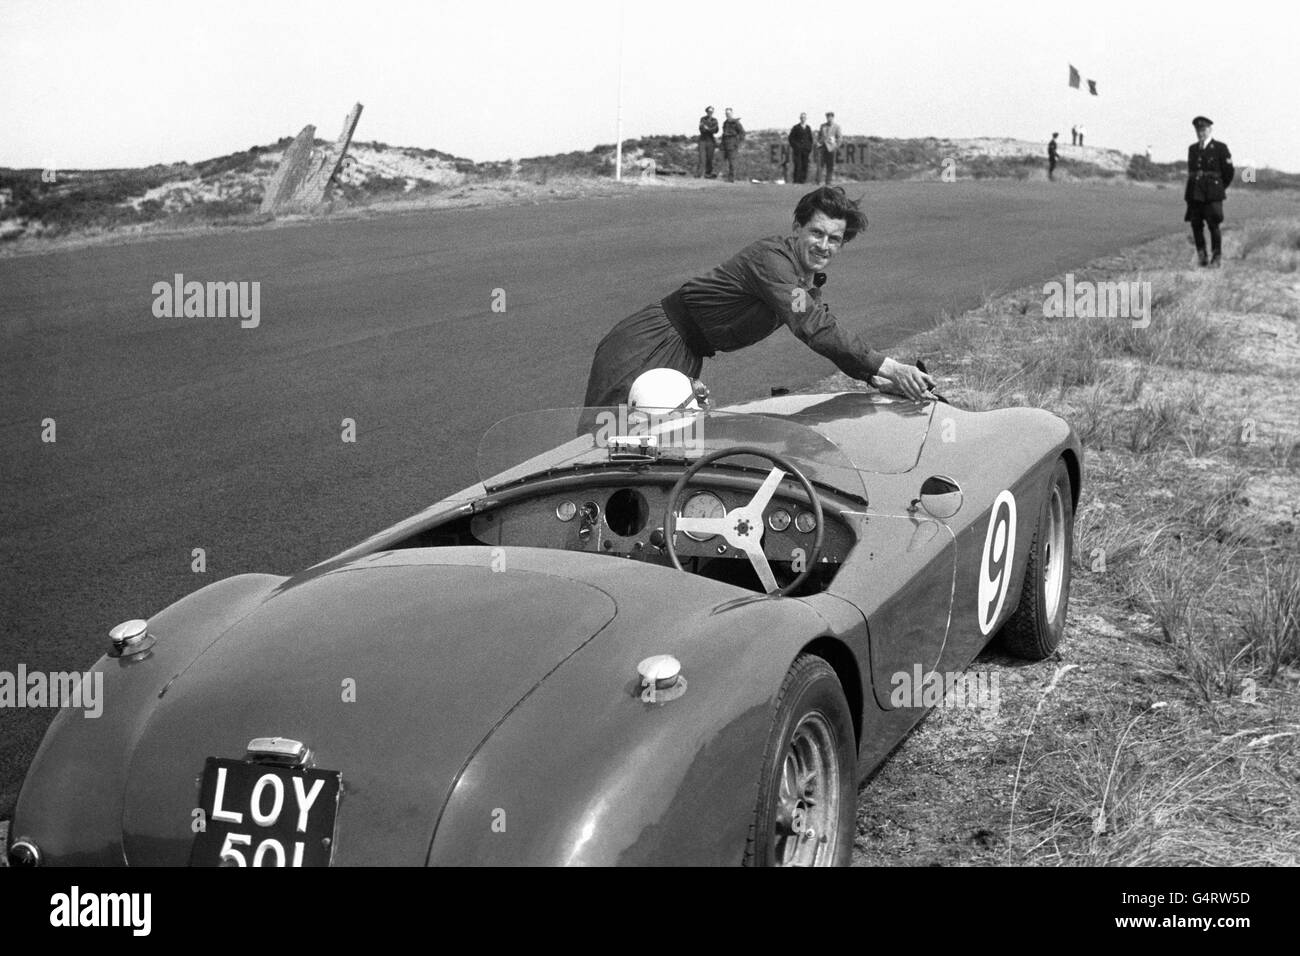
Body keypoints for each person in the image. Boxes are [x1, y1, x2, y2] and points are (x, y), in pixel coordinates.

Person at [581, 186, 935, 412]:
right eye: (816, 232)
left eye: (834, 239)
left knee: (662, 446)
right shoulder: (772, 262)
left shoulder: (804, 284)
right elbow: (813, 325)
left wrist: (877, 380)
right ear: (797, 229)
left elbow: (822, 326)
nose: (823, 246)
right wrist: (892, 367)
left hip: (686, 354)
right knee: (603, 441)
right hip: (649, 341)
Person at [1184, 115, 1234, 267]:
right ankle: (1202, 257)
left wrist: (1218, 188)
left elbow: (1228, 172)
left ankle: (1216, 257)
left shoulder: (1220, 148)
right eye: (1198, 130)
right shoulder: (1192, 149)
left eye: (1203, 129)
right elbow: (1192, 171)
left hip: (1212, 194)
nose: (1201, 133)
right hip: (1195, 194)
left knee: (1214, 225)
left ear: (1210, 129)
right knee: (1196, 225)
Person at [720, 108, 745, 182]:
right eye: (726, 114)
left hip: (732, 144)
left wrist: (738, 143)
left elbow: (742, 133)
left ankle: (731, 178)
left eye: (729, 113)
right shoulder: (725, 123)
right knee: (723, 161)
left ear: (732, 113)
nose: (728, 115)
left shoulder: (736, 123)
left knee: (732, 162)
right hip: (725, 144)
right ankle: (725, 176)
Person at [788, 112, 814, 184]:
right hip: (797, 150)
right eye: (802, 117)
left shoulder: (808, 128)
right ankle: (796, 180)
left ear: (806, 119)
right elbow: (791, 138)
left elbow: (810, 139)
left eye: (804, 117)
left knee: (805, 165)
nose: (803, 119)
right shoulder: (796, 127)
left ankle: (803, 180)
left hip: (805, 150)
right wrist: (796, 146)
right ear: (800, 118)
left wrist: (809, 147)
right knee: (797, 165)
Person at [817, 112, 842, 185]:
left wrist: (835, 146)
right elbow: (819, 136)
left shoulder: (837, 127)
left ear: (833, 117)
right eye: (827, 117)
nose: (829, 118)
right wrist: (819, 143)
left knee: (830, 166)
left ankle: (828, 182)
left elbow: (840, 139)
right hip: (822, 148)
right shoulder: (822, 126)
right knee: (820, 165)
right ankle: (818, 181)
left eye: (830, 117)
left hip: (831, 149)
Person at [697, 106, 719, 179]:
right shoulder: (702, 119)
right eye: (709, 111)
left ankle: (708, 174)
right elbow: (702, 129)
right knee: (702, 158)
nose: (710, 112)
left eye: (712, 111)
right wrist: (710, 129)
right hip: (702, 140)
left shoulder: (715, 120)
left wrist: (708, 128)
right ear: (706, 111)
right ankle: (699, 174)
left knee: (710, 158)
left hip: (711, 141)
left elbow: (716, 130)